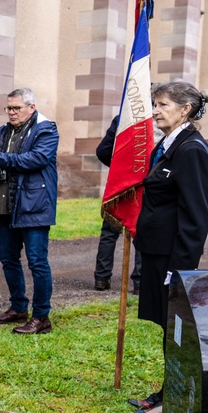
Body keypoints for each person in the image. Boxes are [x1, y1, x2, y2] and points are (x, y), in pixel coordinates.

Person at [129, 82, 208, 412]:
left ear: (185, 109)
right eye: (155, 104)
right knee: (169, 329)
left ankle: (177, 399)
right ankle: (171, 395)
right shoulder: (170, 144)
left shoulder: (191, 150)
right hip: (156, 252)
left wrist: (178, 272)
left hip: (171, 259)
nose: (155, 110)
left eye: (162, 104)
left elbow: (195, 218)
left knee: (177, 330)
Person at [0, 87, 59, 334]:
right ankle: (18, 307)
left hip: (34, 205)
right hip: (5, 205)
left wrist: (0, 158)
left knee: (37, 262)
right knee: (8, 259)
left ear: (31, 107)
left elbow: (36, 159)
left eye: (16, 108)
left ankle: (42, 317)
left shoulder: (47, 130)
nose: (12, 113)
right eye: (9, 108)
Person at [93, 115, 143, 293]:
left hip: (121, 181)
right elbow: (103, 150)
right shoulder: (152, 120)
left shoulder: (124, 116)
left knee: (110, 232)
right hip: (141, 182)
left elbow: (103, 151)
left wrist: (120, 168)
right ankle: (139, 282)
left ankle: (101, 277)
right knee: (140, 231)